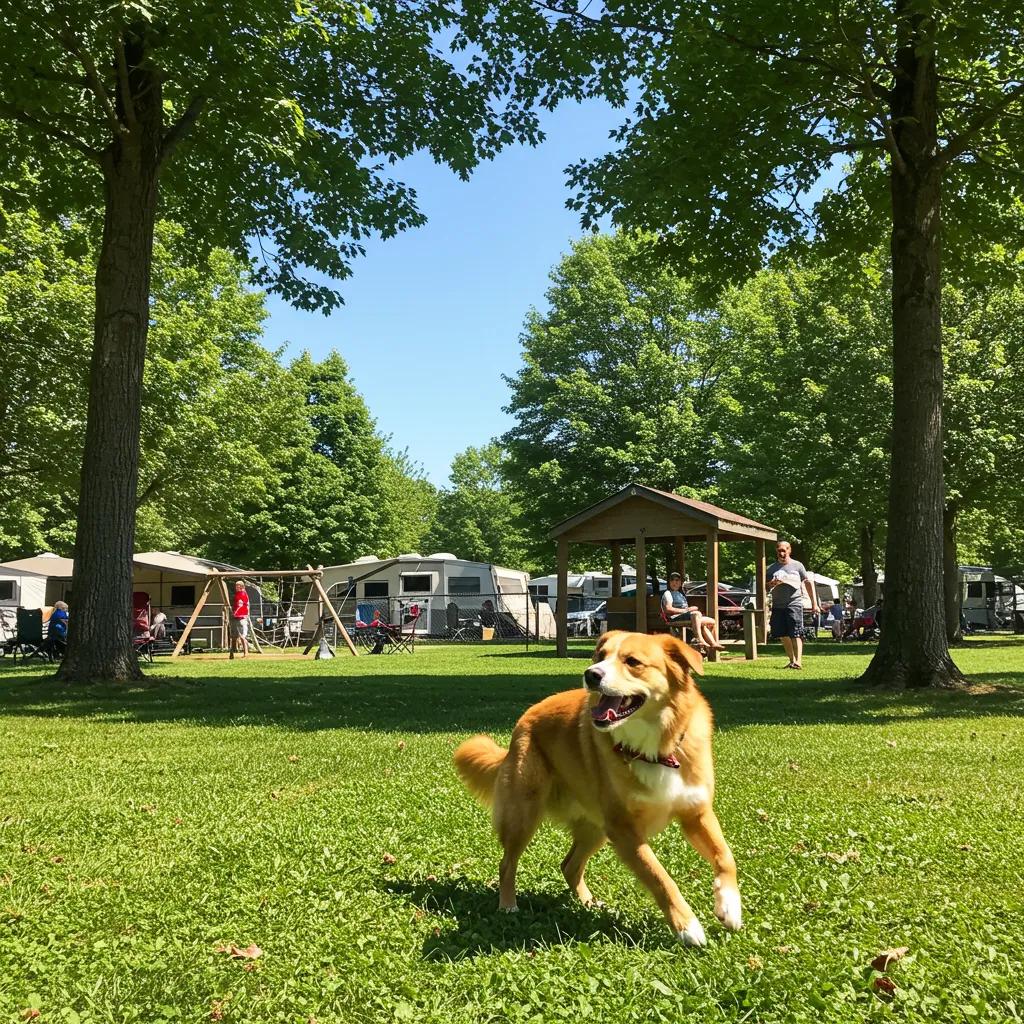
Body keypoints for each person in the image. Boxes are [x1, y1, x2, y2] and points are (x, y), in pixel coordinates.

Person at [766, 541, 819, 669]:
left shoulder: (797, 565)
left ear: (789, 550)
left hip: (794, 603)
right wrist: (771, 584)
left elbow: (808, 583)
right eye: (779, 551)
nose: (782, 553)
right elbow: (765, 587)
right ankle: (791, 660)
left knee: (795, 632)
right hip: (778, 605)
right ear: (776, 551)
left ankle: (798, 661)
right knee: (783, 634)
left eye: (784, 550)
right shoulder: (771, 568)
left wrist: (814, 604)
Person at [661, 572, 724, 650]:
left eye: (677, 580)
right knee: (696, 614)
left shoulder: (681, 594)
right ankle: (699, 640)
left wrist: (691, 608)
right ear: (669, 583)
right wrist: (686, 610)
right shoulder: (668, 593)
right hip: (674, 617)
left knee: (712, 621)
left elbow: (687, 610)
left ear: (680, 583)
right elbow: (668, 609)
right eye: (672, 580)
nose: (674, 582)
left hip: (686, 616)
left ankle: (714, 644)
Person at [229, 580, 250, 659]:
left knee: (242, 636)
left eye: (237, 586)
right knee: (234, 636)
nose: (236, 587)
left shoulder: (243, 594)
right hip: (236, 617)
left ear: (241, 587)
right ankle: (233, 651)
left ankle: (246, 652)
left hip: (241, 617)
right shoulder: (237, 594)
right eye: (236, 586)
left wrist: (235, 612)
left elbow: (240, 606)